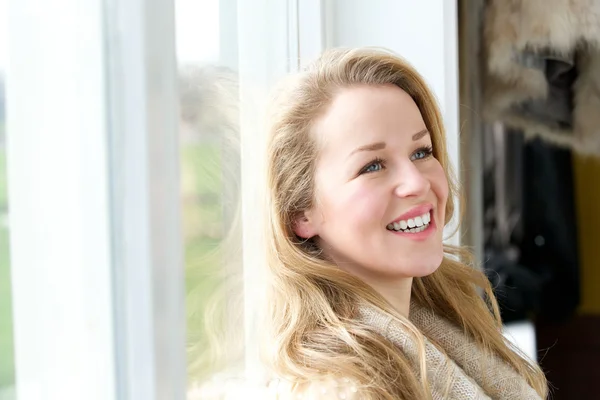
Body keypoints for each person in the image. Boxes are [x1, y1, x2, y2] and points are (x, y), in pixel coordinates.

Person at [261, 47, 548, 399]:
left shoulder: (449, 329)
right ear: (301, 214)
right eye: (372, 166)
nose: (417, 182)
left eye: (421, 152)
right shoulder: (340, 391)